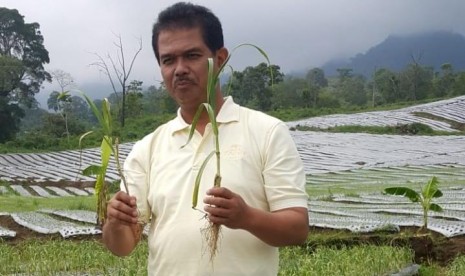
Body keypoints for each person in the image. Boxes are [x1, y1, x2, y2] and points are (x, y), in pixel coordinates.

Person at [102, 2, 309, 275]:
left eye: (192, 55)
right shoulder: (148, 148)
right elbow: (123, 246)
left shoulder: (267, 132)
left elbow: (297, 228)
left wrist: (246, 217)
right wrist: (115, 223)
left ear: (220, 59)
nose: (179, 69)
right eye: (168, 60)